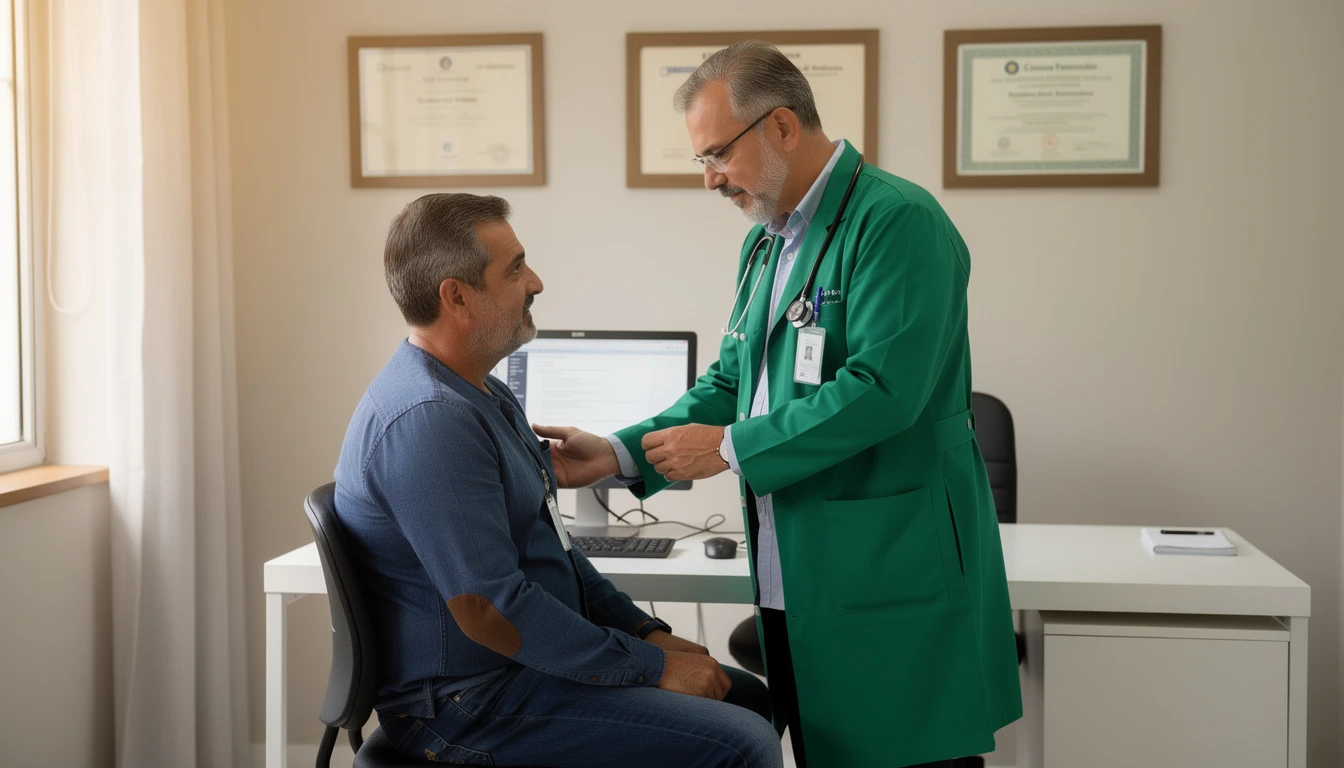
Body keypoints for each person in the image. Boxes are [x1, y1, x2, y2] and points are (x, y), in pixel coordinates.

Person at [536, 41, 1022, 767]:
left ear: (783, 127)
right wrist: (618, 452)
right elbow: (732, 383)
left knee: (909, 755)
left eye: (716, 155)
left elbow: (883, 391)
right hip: (794, 569)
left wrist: (729, 449)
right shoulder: (769, 244)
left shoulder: (898, 223)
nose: (709, 180)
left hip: (889, 566)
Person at [333, 192, 783, 768]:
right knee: (743, 743)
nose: (536, 282)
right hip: (465, 707)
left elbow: (562, 555)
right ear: (457, 296)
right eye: (515, 269)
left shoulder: (485, 395)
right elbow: (492, 609)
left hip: (511, 677)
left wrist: (645, 633)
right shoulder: (429, 420)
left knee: (748, 698)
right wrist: (650, 666)